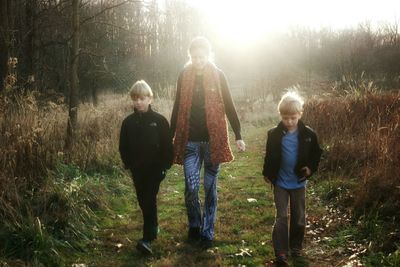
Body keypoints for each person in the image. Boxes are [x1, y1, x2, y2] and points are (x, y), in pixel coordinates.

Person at [170, 36, 246, 249]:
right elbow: (177, 106)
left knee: (210, 188)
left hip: (214, 142)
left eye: (202, 56)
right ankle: (194, 224)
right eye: (194, 57)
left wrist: (238, 134)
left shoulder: (219, 75)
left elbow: (229, 106)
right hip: (190, 143)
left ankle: (207, 231)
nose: (198, 60)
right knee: (191, 188)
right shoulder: (184, 76)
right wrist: (170, 136)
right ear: (190, 57)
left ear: (208, 55)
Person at [262, 91, 322, 266]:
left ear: (300, 115)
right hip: (280, 182)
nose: (289, 121)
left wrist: (310, 168)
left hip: (298, 182)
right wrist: (267, 172)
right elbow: (269, 155)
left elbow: (316, 154)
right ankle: (280, 251)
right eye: (285, 117)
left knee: (298, 216)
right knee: (281, 216)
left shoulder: (309, 135)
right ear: (280, 115)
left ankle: (295, 247)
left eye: (293, 118)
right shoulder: (273, 134)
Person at [119, 80, 173, 255]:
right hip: (137, 170)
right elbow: (123, 146)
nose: (138, 102)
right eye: (135, 99)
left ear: (150, 98)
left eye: (142, 98)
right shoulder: (128, 123)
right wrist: (129, 164)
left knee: (149, 198)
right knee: (144, 201)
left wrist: (165, 165)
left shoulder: (159, 121)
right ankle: (154, 228)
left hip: (155, 170)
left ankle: (146, 239)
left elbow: (167, 145)